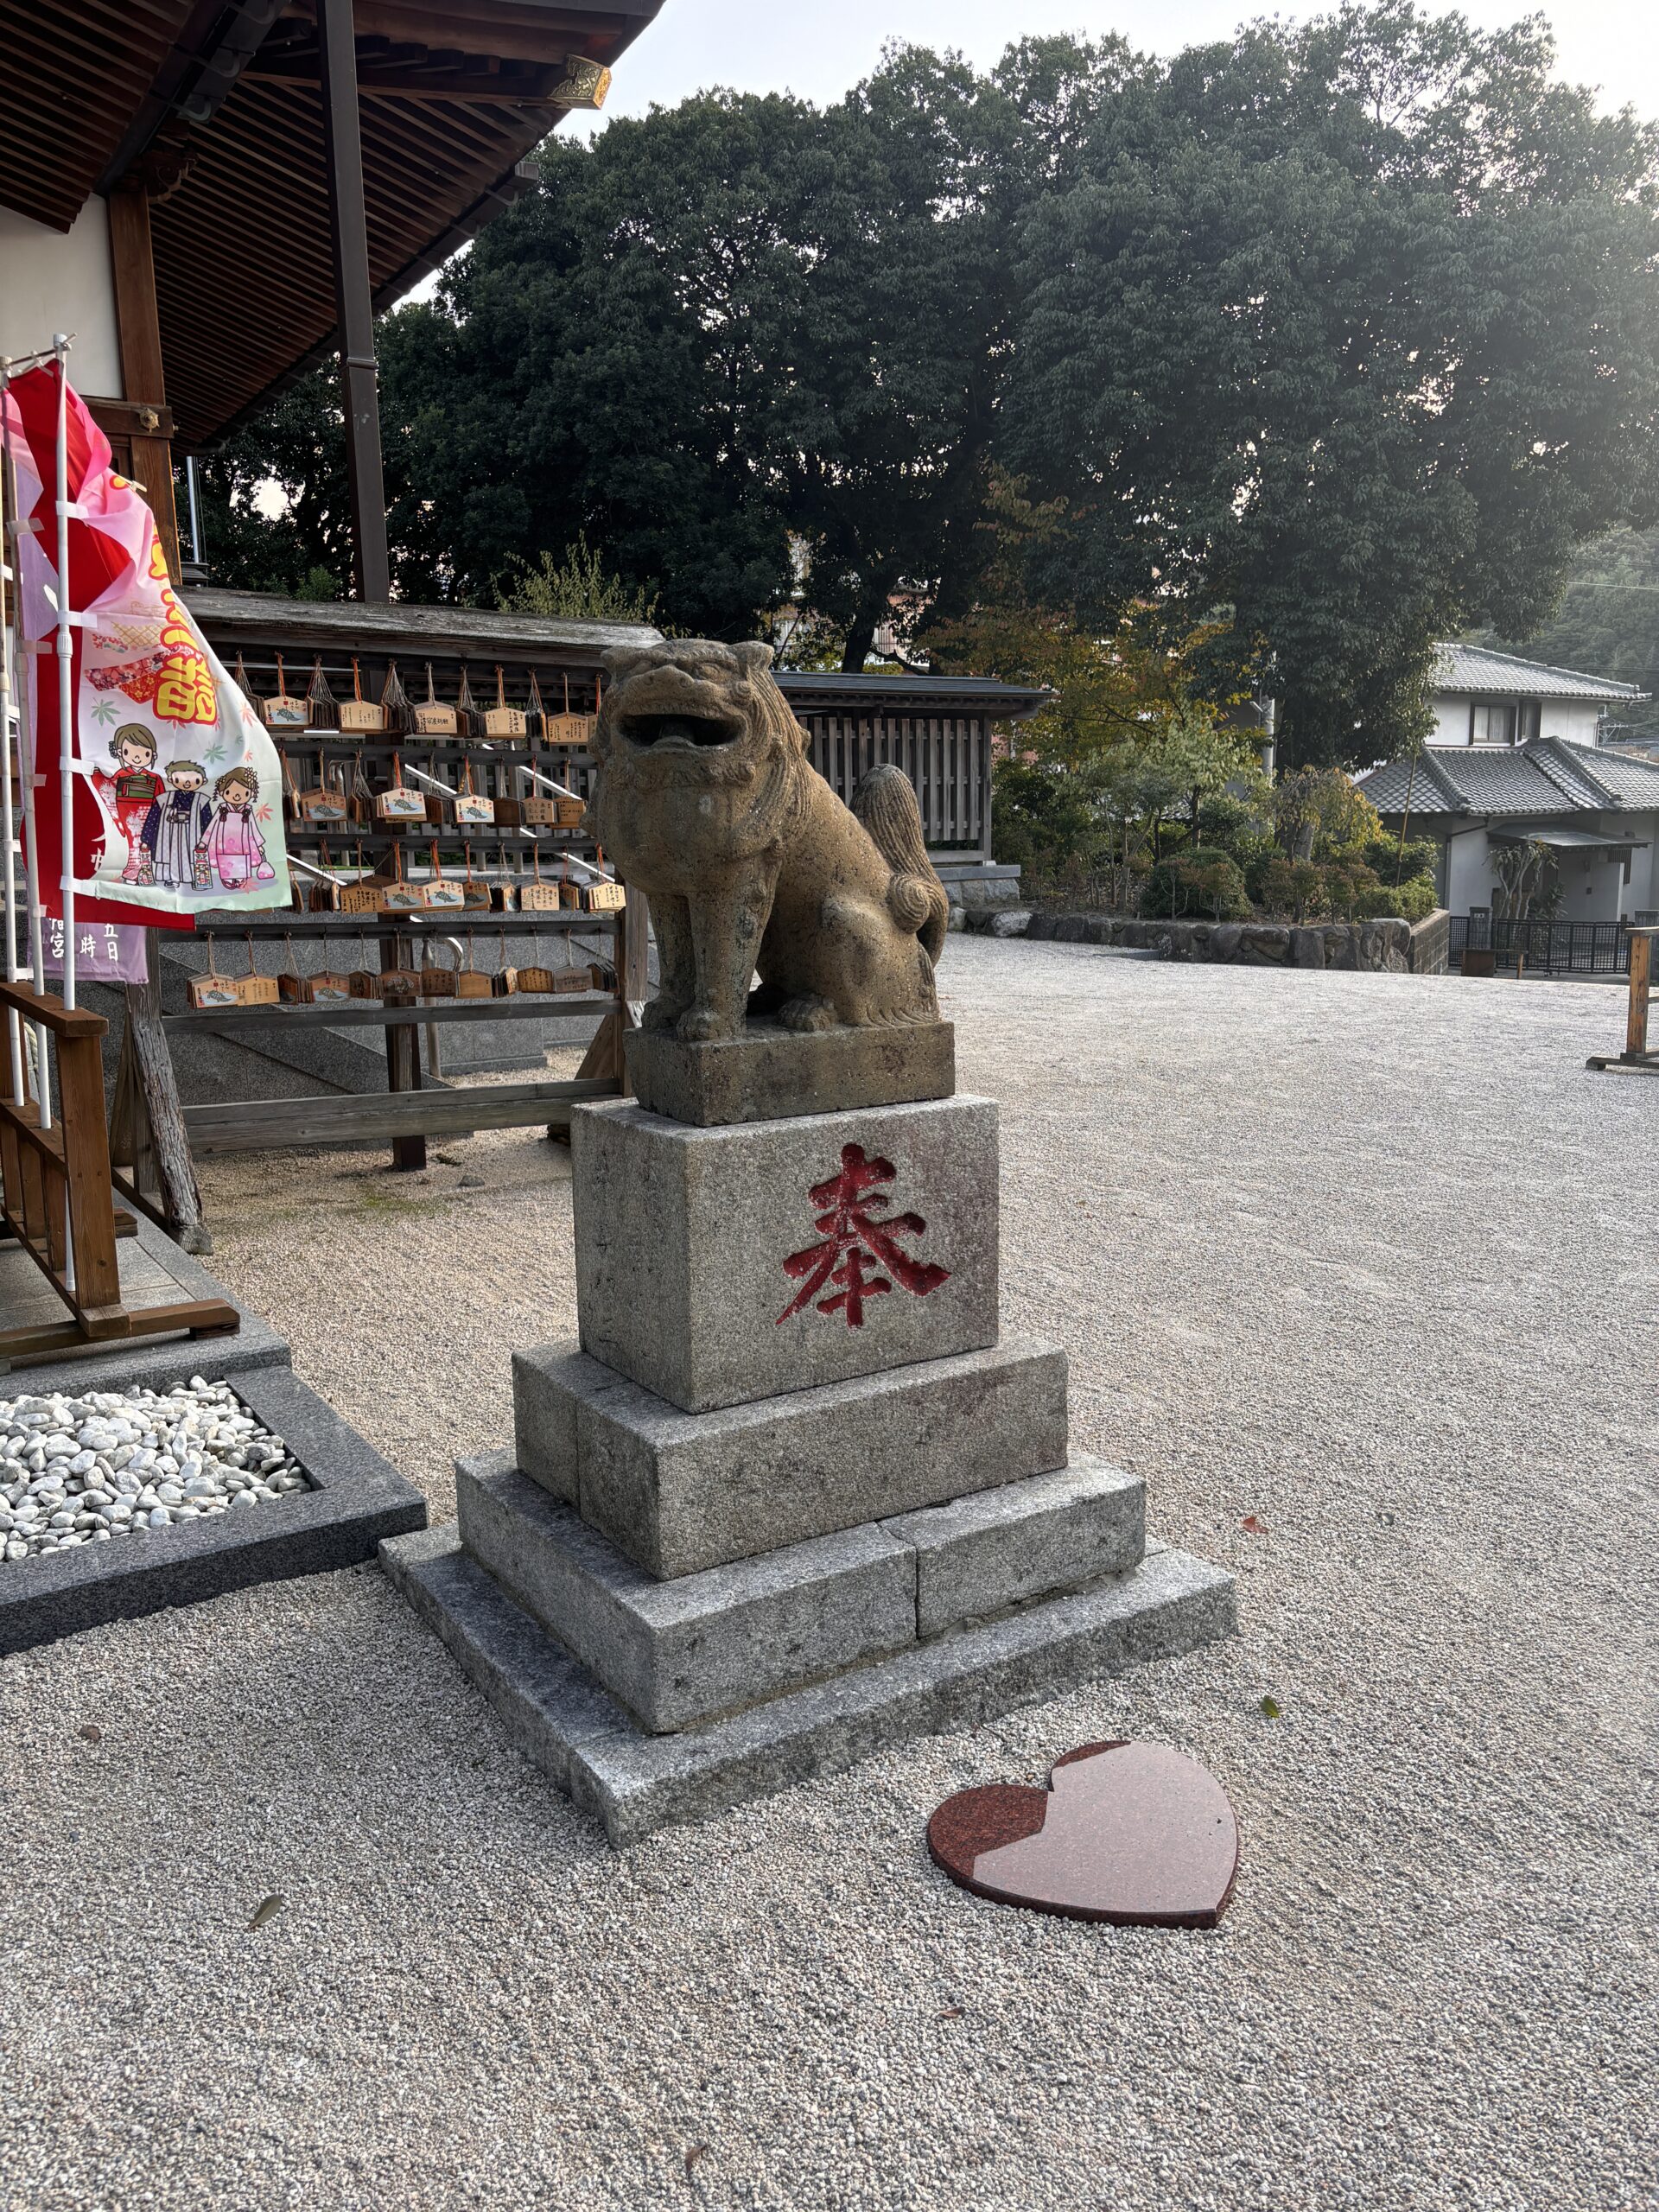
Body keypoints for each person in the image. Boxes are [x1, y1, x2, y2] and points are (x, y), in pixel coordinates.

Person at [92, 725, 164, 884]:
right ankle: (132, 872)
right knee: (132, 843)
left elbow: (161, 797)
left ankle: (149, 871)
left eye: (145, 753)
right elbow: (108, 786)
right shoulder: (121, 774)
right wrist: (97, 774)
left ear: (152, 754)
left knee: (149, 841)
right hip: (127, 811)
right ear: (120, 752)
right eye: (128, 752)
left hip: (149, 812)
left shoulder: (154, 777)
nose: (137, 757)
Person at [198, 766, 276, 892]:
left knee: (242, 858)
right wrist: (204, 842)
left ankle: (240, 878)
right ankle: (228, 878)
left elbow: (253, 828)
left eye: (244, 793)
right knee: (225, 858)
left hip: (242, 841)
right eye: (230, 792)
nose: (237, 797)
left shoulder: (247, 810)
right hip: (223, 841)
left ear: (251, 793)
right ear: (223, 792)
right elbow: (212, 826)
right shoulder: (222, 808)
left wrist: (258, 844)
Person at [140, 760, 213, 890]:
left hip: (193, 834)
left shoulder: (202, 800)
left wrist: (207, 840)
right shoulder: (164, 799)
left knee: (192, 856)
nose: (187, 783)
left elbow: (208, 822)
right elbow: (152, 818)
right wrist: (146, 839)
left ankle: (194, 878)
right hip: (168, 834)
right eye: (180, 779)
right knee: (168, 854)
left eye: (194, 780)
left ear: (204, 781)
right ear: (171, 779)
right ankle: (169, 877)